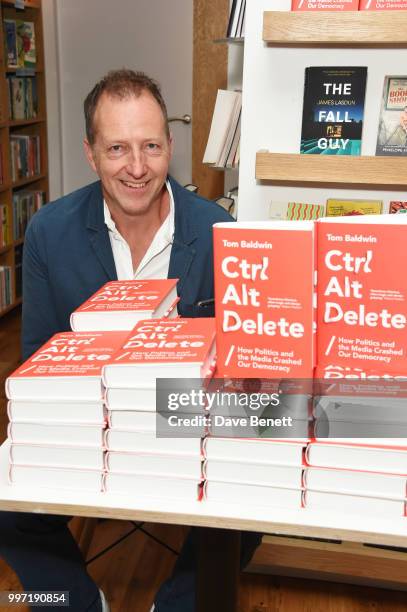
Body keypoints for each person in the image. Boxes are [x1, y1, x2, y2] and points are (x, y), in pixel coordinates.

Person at [0, 70, 261, 611]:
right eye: (117, 148)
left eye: (151, 147)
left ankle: (178, 602)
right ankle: (68, 598)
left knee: (254, 484)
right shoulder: (49, 231)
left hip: (186, 417)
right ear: (91, 154)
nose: (137, 168)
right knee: (6, 504)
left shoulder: (219, 229)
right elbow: (36, 361)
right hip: (91, 413)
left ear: (170, 147)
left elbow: (242, 368)